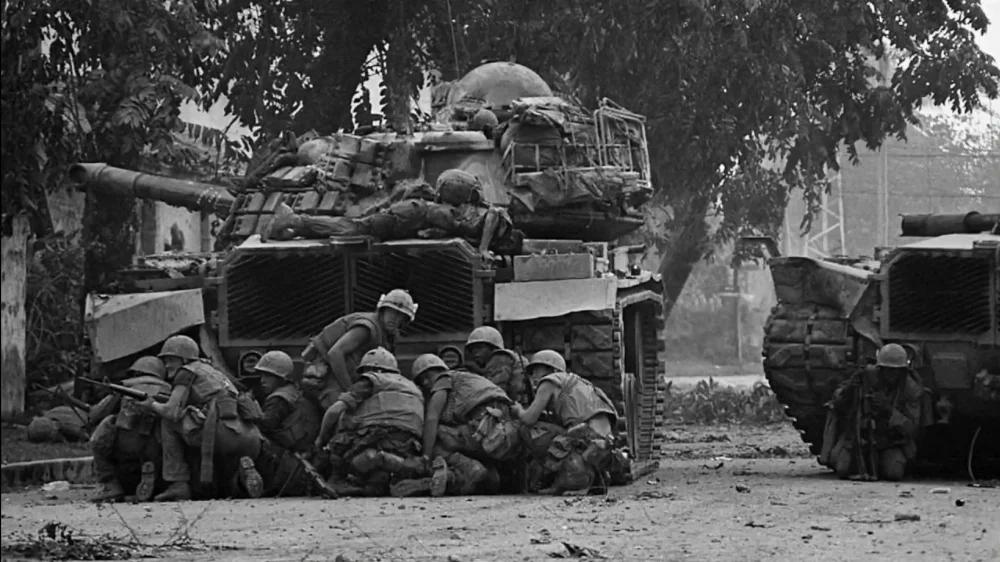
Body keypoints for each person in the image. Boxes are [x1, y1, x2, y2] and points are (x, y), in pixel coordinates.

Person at [263, 169, 522, 259]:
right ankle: (295, 220)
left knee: (355, 227)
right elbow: (494, 216)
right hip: (409, 215)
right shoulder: (491, 219)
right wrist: (485, 248)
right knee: (354, 229)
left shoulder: (460, 214)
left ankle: (294, 227)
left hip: (410, 216)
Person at [137, 335, 264, 501]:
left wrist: (151, 405)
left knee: (168, 422)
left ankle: (178, 483)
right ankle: (245, 468)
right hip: (249, 437)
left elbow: (171, 412)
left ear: (184, 359)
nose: (166, 365)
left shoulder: (186, 372)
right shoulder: (213, 371)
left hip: (220, 434)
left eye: (170, 359)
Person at [391, 354, 522, 497]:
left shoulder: (443, 380)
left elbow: (432, 418)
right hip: (507, 433)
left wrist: (426, 457)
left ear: (425, 379)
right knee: (490, 480)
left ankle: (453, 473)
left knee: (435, 435)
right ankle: (479, 474)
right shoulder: (469, 379)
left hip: (484, 427)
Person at [314, 347, 428, 496]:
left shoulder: (372, 380)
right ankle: (404, 471)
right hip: (408, 445)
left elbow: (334, 411)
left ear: (371, 368)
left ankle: (338, 480)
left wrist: (320, 439)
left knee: (337, 444)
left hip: (376, 437)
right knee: (376, 478)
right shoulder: (414, 387)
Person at [513, 349, 629, 495]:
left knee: (526, 430)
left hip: (585, 436)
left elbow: (528, 419)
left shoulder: (550, 381)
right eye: (532, 372)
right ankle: (588, 479)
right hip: (601, 442)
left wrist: (518, 410)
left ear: (553, 370)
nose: (533, 376)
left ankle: (569, 480)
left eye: (537, 370)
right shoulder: (579, 382)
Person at [820, 343, 927, 481]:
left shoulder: (910, 389)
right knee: (843, 468)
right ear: (880, 369)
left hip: (889, 441)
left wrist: (888, 410)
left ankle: (878, 464)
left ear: (903, 371)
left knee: (893, 472)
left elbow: (912, 428)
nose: (891, 374)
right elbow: (837, 402)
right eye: (887, 370)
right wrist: (850, 390)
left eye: (896, 370)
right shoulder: (866, 377)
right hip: (859, 437)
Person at [302, 289, 417, 410]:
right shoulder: (366, 328)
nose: (395, 318)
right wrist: (350, 391)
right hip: (328, 375)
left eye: (400, 316)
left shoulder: (387, 335)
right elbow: (335, 353)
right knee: (343, 414)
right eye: (391, 312)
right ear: (382, 311)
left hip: (348, 377)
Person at [88, 356, 171, 502]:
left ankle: (109, 483)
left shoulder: (124, 386)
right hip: (161, 446)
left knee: (107, 422)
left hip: (125, 443)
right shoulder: (170, 389)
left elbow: (96, 415)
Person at [251, 350, 324, 497]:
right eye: (262, 375)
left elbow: (267, 425)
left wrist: (251, 412)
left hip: (287, 451)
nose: (262, 380)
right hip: (302, 447)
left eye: (268, 376)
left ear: (280, 378)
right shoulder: (293, 390)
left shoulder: (278, 399)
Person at [463, 326, 530, 406]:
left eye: (479, 347)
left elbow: (495, 392)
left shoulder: (500, 357)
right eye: (472, 349)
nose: (475, 352)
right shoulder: (508, 357)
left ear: (493, 347)